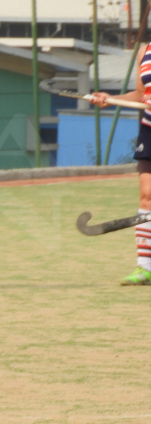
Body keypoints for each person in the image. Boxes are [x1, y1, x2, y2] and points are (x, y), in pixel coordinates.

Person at [91, 44, 151, 285]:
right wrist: (111, 99)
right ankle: (145, 268)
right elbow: (140, 94)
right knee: (147, 196)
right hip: (149, 130)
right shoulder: (145, 51)